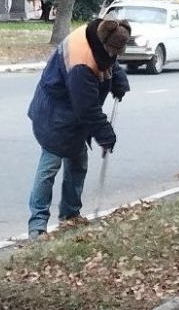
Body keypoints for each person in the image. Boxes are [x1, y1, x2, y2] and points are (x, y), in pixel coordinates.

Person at [26, 18, 131, 240]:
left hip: (72, 115)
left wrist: (118, 79)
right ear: (104, 43)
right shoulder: (81, 64)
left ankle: (70, 216)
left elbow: (110, 62)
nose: (114, 55)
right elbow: (87, 108)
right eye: (112, 51)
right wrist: (105, 134)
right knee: (49, 167)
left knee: (77, 164)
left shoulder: (99, 34)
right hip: (54, 115)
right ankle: (37, 226)